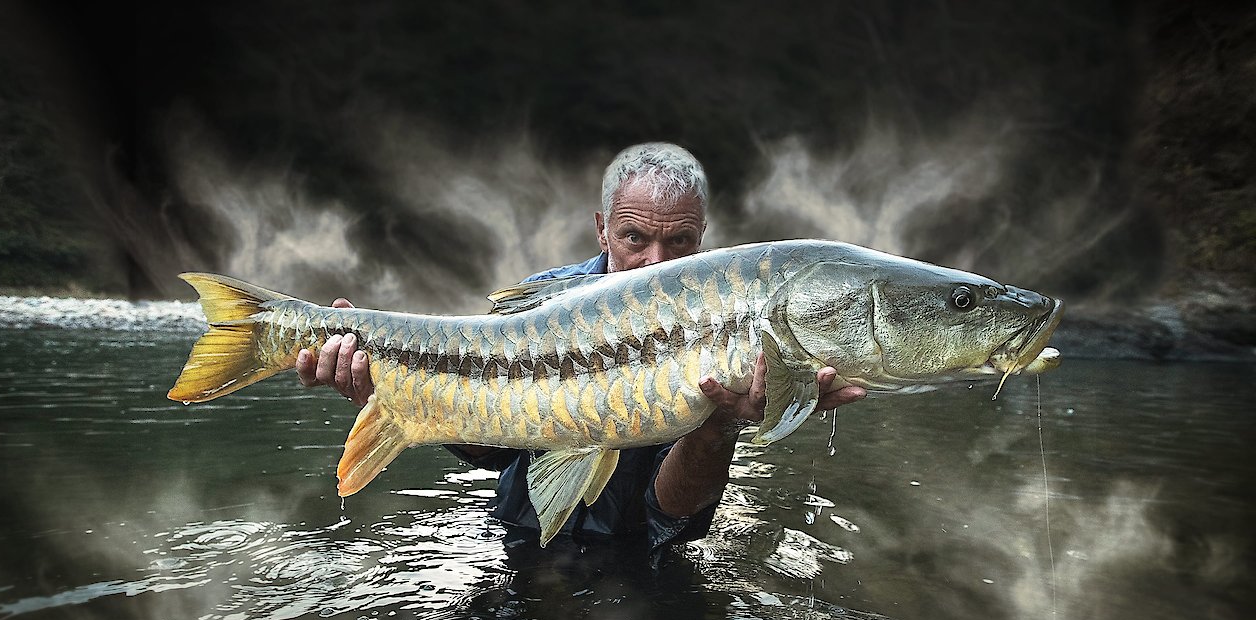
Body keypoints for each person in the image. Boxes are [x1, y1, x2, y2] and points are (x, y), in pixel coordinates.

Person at [296, 142, 866, 563]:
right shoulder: (544, 302)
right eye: (635, 239)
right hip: (520, 541)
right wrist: (389, 392)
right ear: (603, 229)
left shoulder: (731, 318)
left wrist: (719, 424)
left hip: (648, 554)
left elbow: (671, 516)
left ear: (703, 238)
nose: (657, 262)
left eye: (681, 242)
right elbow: (495, 449)